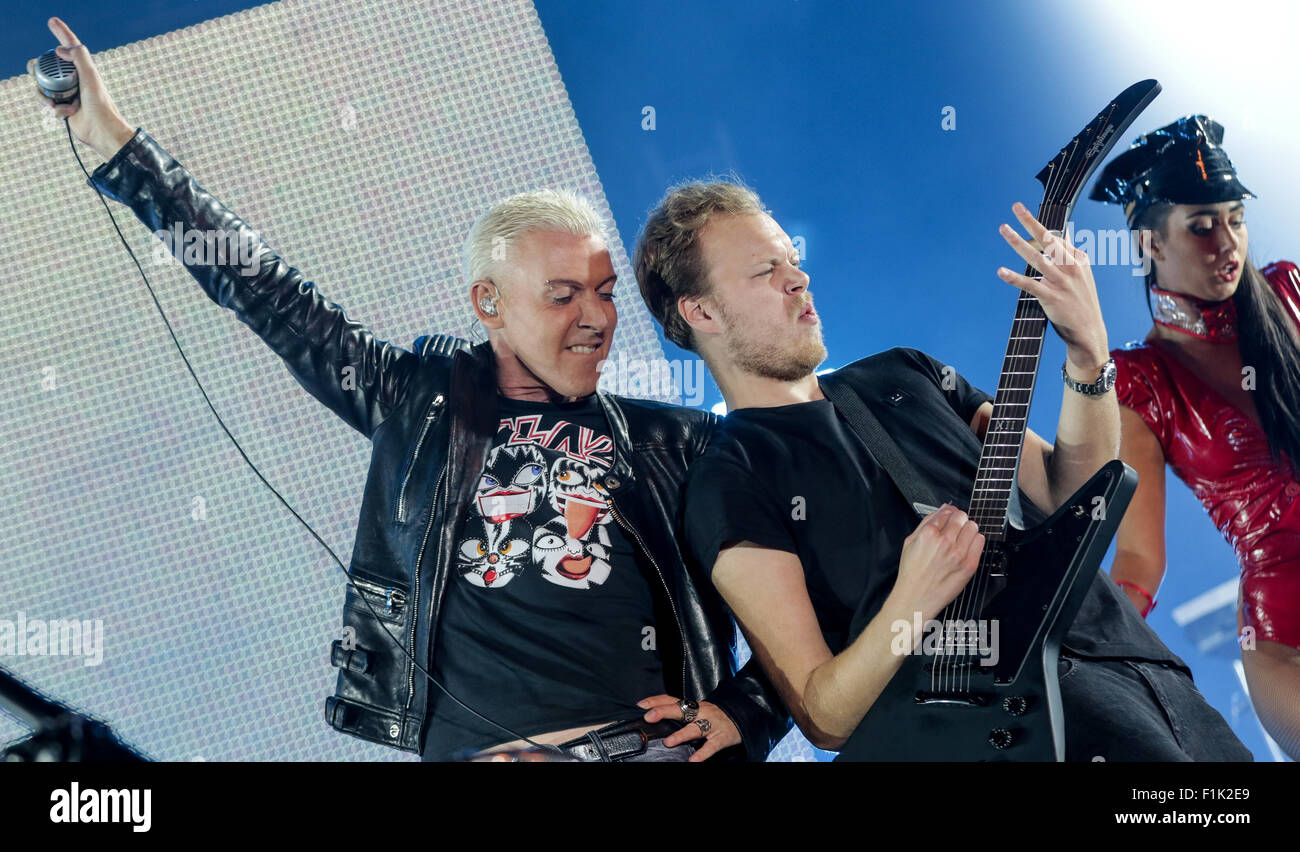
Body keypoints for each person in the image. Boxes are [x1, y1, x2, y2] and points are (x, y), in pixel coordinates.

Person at [34, 16, 788, 762]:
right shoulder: (418, 403)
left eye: (605, 292)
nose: (595, 318)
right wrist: (117, 144)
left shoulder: (679, 440)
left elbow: (824, 591)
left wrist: (744, 711)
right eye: (563, 296)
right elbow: (261, 287)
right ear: (489, 304)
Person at [633, 178, 1252, 760]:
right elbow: (824, 714)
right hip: (1018, 726)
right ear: (702, 313)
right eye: (766, 271)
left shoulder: (907, 373)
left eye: (791, 259)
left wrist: (1088, 355)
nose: (798, 278)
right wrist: (912, 598)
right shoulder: (729, 479)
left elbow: (1072, 489)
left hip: (1148, 672)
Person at [1091, 115, 1300, 760]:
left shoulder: (1290, 293)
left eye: (1235, 218)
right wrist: (1078, 661)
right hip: (1286, 634)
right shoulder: (1140, 381)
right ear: (1150, 244)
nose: (1226, 242)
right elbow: (1139, 563)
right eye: (1201, 226)